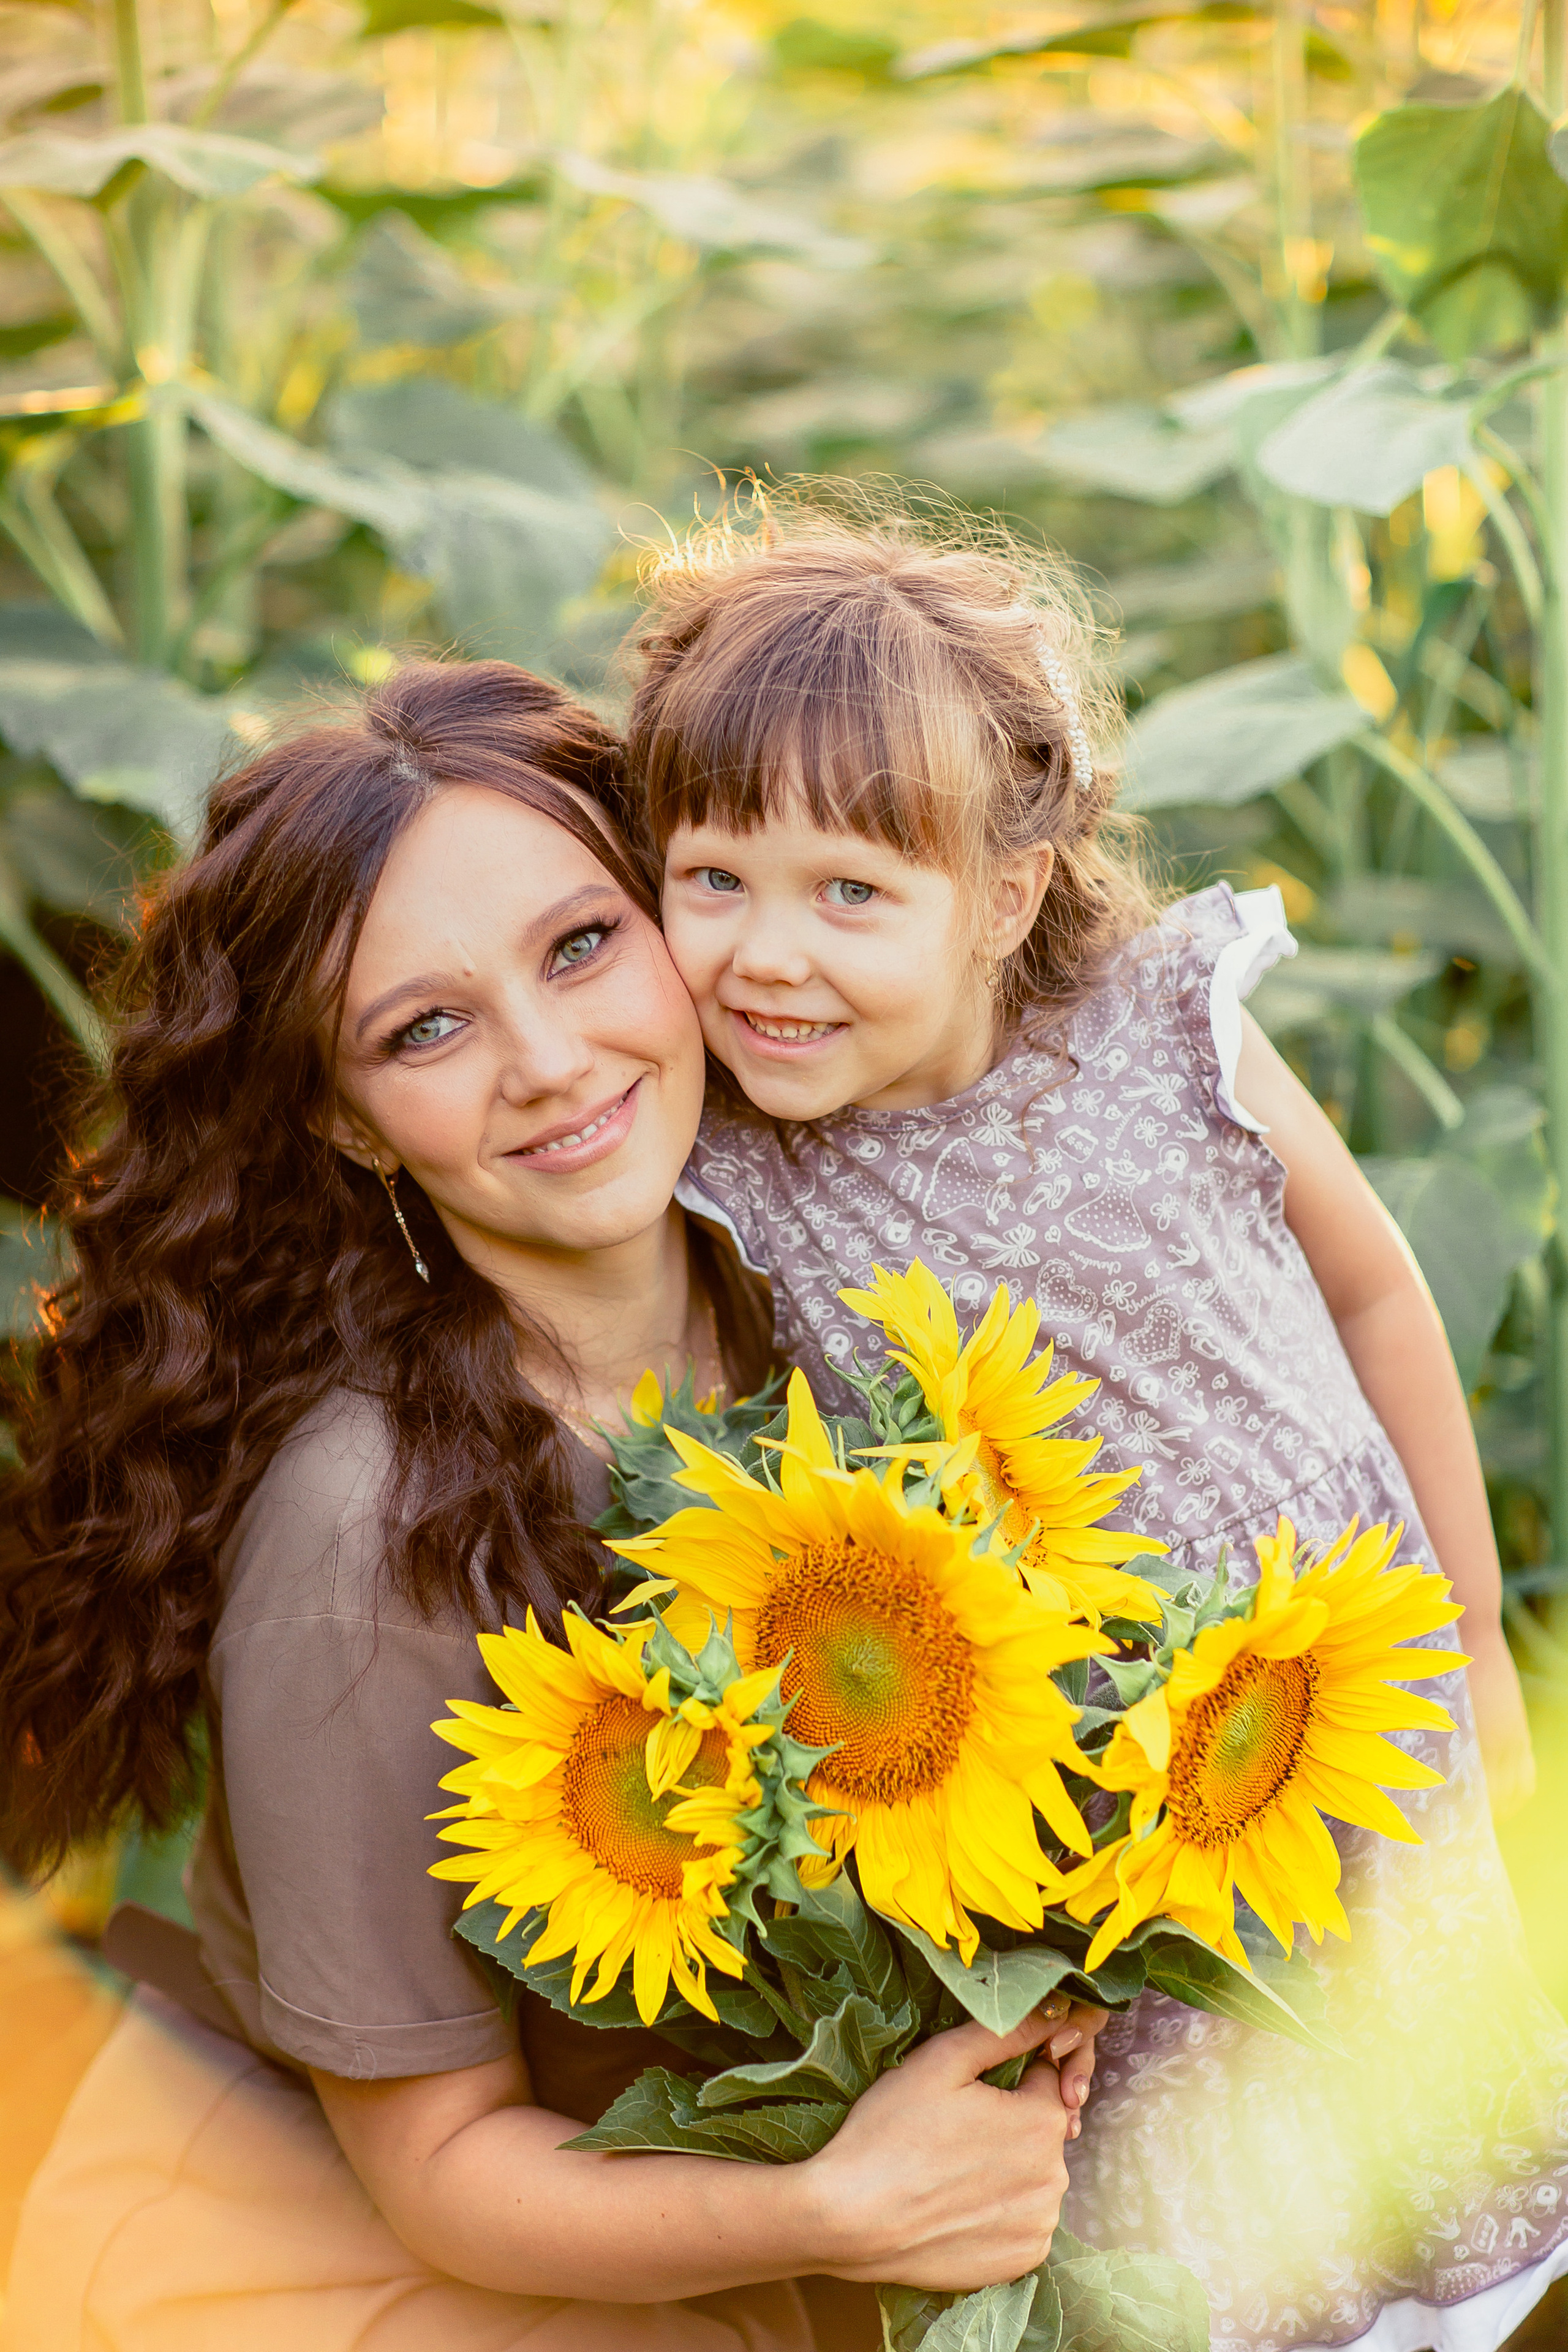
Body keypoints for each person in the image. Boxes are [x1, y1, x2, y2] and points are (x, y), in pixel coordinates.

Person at [0, 661, 1093, 2352]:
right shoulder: (366, 1537)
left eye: (581, 945)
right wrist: (843, 2203)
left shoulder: (819, 1299)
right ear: (347, 1122)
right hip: (382, 2287)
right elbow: (433, 2165)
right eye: (424, 1028)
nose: (549, 1059)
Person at [626, 493, 1568, 2352]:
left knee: (1439, 2155)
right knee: (1202, 2253)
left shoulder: (1161, 1022)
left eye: (852, 894)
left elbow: (1372, 1289)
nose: (767, 955)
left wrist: (1473, 1635)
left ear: (1007, 895)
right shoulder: (734, 1173)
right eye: (712, 876)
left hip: (1356, 1722)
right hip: (1109, 1870)